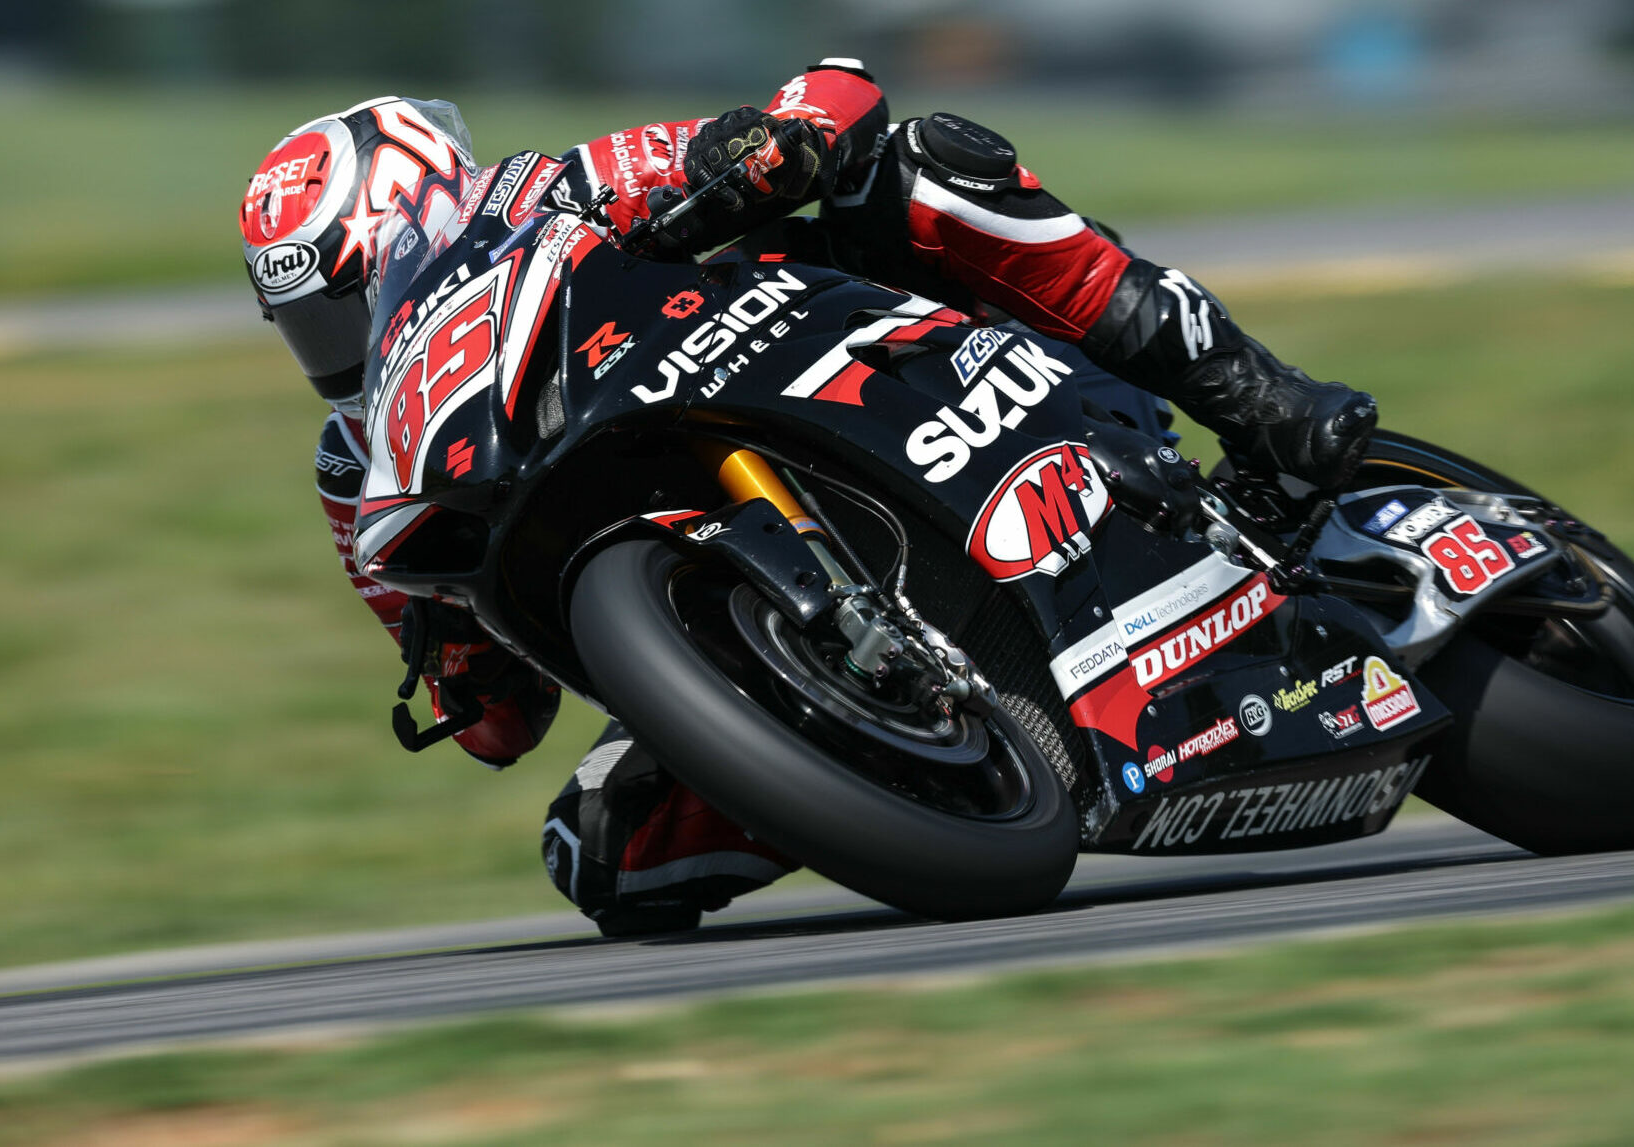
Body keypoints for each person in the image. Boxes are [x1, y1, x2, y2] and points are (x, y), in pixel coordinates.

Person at [240, 60, 1377, 936]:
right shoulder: (363, 475)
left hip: (854, 367)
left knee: (931, 161)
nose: (343, 347)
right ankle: (888, 759)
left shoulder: (558, 189)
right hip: (698, 579)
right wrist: (457, 651)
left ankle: (1258, 397)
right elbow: (501, 726)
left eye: (349, 299)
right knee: (598, 852)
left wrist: (771, 145)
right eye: (312, 328)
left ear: (429, 206)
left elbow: (838, 93)